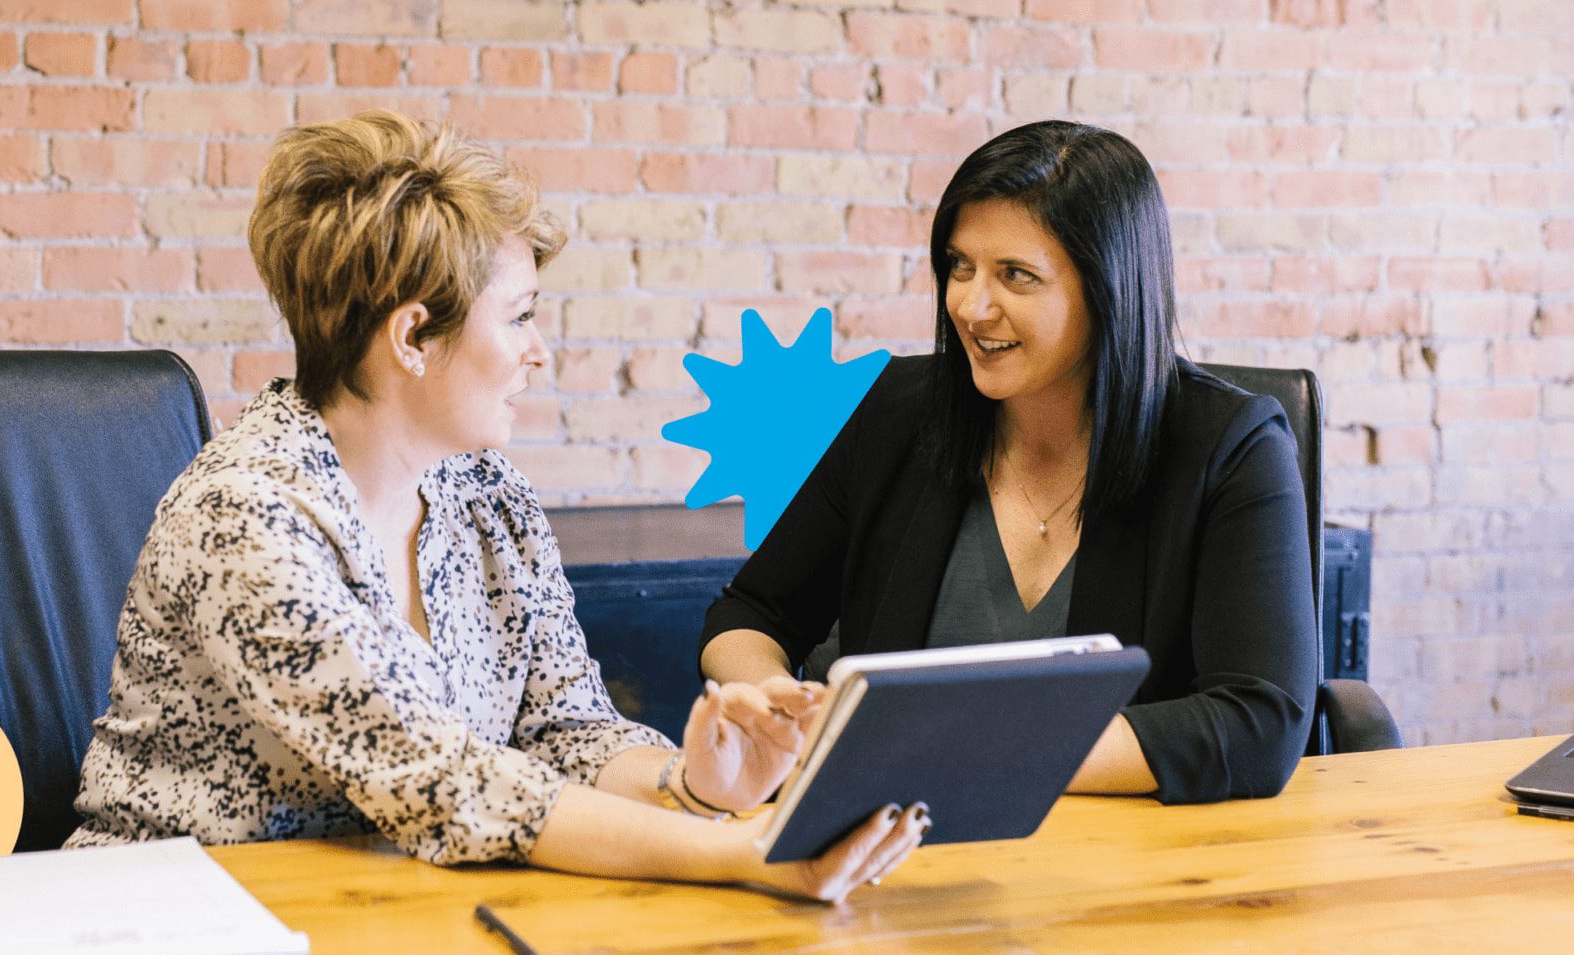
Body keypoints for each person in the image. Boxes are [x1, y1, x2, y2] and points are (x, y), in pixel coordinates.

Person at [67, 110, 927, 901]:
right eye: (518, 317)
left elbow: (567, 729)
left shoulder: (486, 492)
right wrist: (745, 853)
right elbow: (444, 780)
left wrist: (695, 786)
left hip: (391, 906)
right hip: (174, 913)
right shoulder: (245, 516)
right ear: (413, 337)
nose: (539, 352)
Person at [700, 121, 1317, 804]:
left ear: (1109, 287)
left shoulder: (1231, 446)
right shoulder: (900, 412)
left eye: (1015, 276)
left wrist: (956, 753)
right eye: (960, 267)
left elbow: (1259, 721)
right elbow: (751, 612)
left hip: (1130, 861)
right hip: (893, 851)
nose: (970, 305)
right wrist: (769, 701)